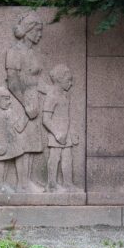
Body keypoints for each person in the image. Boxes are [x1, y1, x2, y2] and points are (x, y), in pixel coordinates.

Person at [5, 11, 45, 192]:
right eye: (37, 30)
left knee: (30, 143)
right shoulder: (14, 52)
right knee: (22, 142)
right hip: (19, 100)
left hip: (32, 98)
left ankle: (25, 182)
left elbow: (35, 79)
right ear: (28, 30)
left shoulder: (31, 52)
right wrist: (25, 104)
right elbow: (12, 83)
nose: (40, 35)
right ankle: (22, 183)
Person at [0, 86, 29, 193]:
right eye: (6, 99)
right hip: (0, 147)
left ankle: (21, 184)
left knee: (20, 157)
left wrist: (27, 116)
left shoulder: (11, 112)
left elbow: (19, 127)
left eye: (9, 98)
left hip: (13, 145)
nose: (9, 102)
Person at [42, 64, 80, 192]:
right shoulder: (51, 96)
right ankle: (51, 184)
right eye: (68, 80)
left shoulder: (65, 96)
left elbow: (68, 117)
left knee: (68, 159)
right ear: (59, 80)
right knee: (54, 158)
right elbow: (45, 119)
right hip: (56, 134)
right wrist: (57, 134)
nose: (71, 83)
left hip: (66, 133)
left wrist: (72, 132)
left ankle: (68, 183)